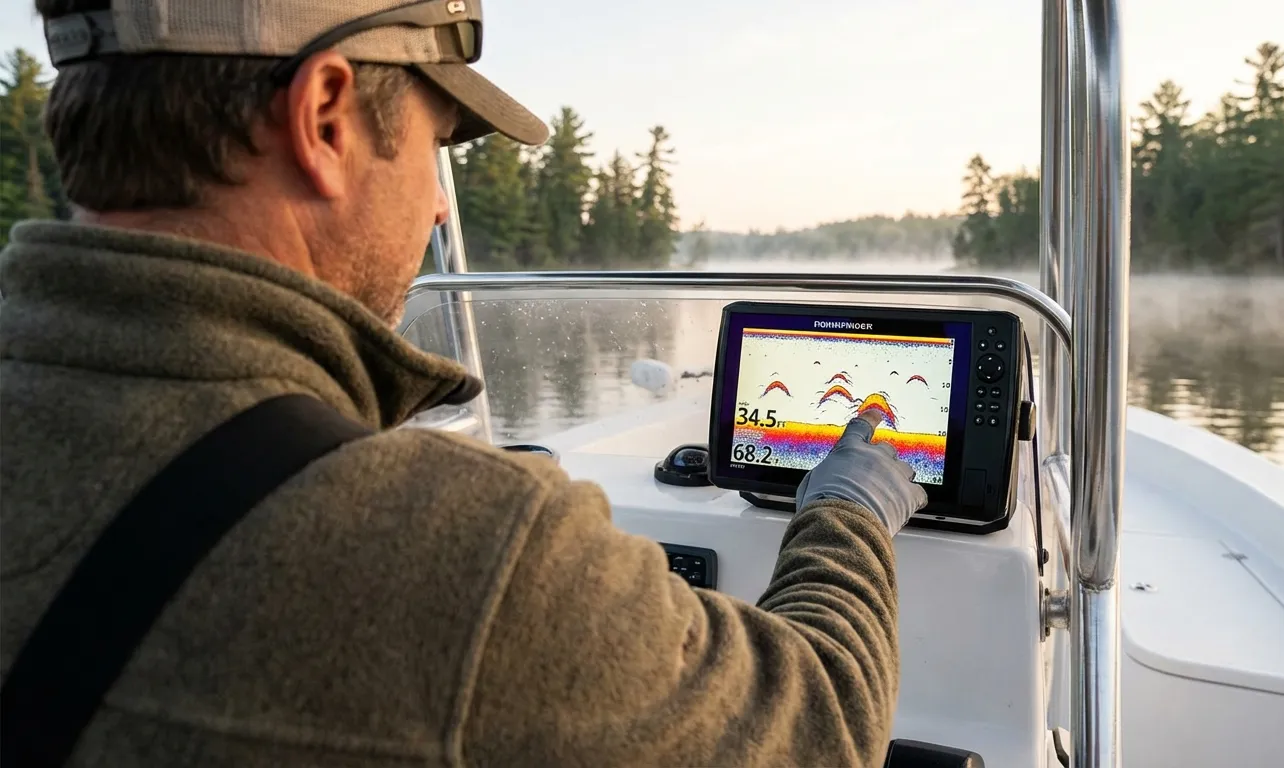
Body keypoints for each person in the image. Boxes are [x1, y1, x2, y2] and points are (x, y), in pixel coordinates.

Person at [0, 1, 929, 765]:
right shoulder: (477, 548)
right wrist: (844, 504)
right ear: (324, 118)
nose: (442, 202)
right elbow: (823, 727)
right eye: (436, 145)